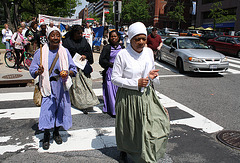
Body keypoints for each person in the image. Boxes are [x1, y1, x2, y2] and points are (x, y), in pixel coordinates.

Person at [111, 22, 170, 163]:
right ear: (130, 39)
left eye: (143, 38)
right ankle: (124, 149)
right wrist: (135, 83)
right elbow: (115, 78)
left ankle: (146, 154)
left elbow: (152, 70)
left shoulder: (149, 52)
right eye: (137, 39)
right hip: (128, 97)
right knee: (128, 126)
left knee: (154, 124)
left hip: (147, 95)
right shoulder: (123, 55)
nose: (141, 42)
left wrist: (153, 77)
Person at [29, 27, 77, 150]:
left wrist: (68, 72)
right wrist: (38, 71)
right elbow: (32, 69)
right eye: (53, 35)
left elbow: (74, 68)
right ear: (48, 37)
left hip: (61, 86)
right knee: (47, 111)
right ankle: (46, 135)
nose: (55, 38)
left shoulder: (65, 52)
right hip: (47, 86)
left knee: (60, 110)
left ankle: (56, 132)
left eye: (57, 35)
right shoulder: (40, 52)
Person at [62, 25, 99, 114]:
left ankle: (89, 102)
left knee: (87, 86)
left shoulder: (84, 41)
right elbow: (64, 56)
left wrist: (85, 56)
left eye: (81, 33)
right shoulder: (67, 42)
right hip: (73, 69)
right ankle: (80, 104)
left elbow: (89, 54)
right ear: (73, 33)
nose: (80, 35)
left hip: (83, 68)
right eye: (78, 33)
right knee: (77, 88)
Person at [99, 30, 124, 117]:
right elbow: (102, 60)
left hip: (120, 72)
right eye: (112, 36)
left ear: (118, 37)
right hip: (110, 71)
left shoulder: (122, 47)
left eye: (115, 36)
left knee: (119, 92)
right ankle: (113, 110)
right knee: (110, 91)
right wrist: (110, 64)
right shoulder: (107, 48)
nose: (113, 38)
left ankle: (120, 108)